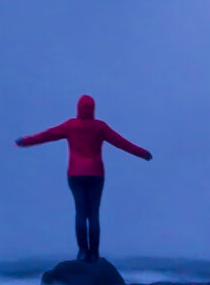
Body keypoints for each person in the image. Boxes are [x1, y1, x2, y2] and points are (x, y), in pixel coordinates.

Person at [15, 93, 151, 262]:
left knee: (80, 212)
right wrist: (143, 153)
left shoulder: (70, 126)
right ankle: (94, 254)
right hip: (96, 174)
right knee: (93, 214)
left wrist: (23, 141)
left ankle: (82, 252)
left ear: (78, 108)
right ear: (93, 108)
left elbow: (46, 135)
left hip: (75, 174)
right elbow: (121, 142)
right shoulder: (100, 127)